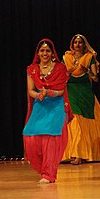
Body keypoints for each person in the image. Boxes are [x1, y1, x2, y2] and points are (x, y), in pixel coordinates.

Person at [23, 38, 73, 184]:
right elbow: (31, 90)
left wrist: (51, 93)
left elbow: (62, 90)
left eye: (47, 50)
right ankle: (43, 168)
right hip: (40, 104)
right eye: (42, 50)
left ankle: (49, 174)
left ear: (52, 53)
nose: (45, 53)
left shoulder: (60, 68)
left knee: (51, 139)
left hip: (56, 105)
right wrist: (39, 95)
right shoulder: (32, 69)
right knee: (30, 137)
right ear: (38, 53)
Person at [62, 34, 100, 165]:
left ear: (84, 45)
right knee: (75, 122)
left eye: (80, 42)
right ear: (72, 44)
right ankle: (75, 154)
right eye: (75, 42)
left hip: (85, 93)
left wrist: (87, 72)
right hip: (71, 92)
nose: (78, 45)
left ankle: (81, 153)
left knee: (84, 122)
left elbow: (95, 78)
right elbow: (62, 76)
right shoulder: (66, 58)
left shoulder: (89, 58)